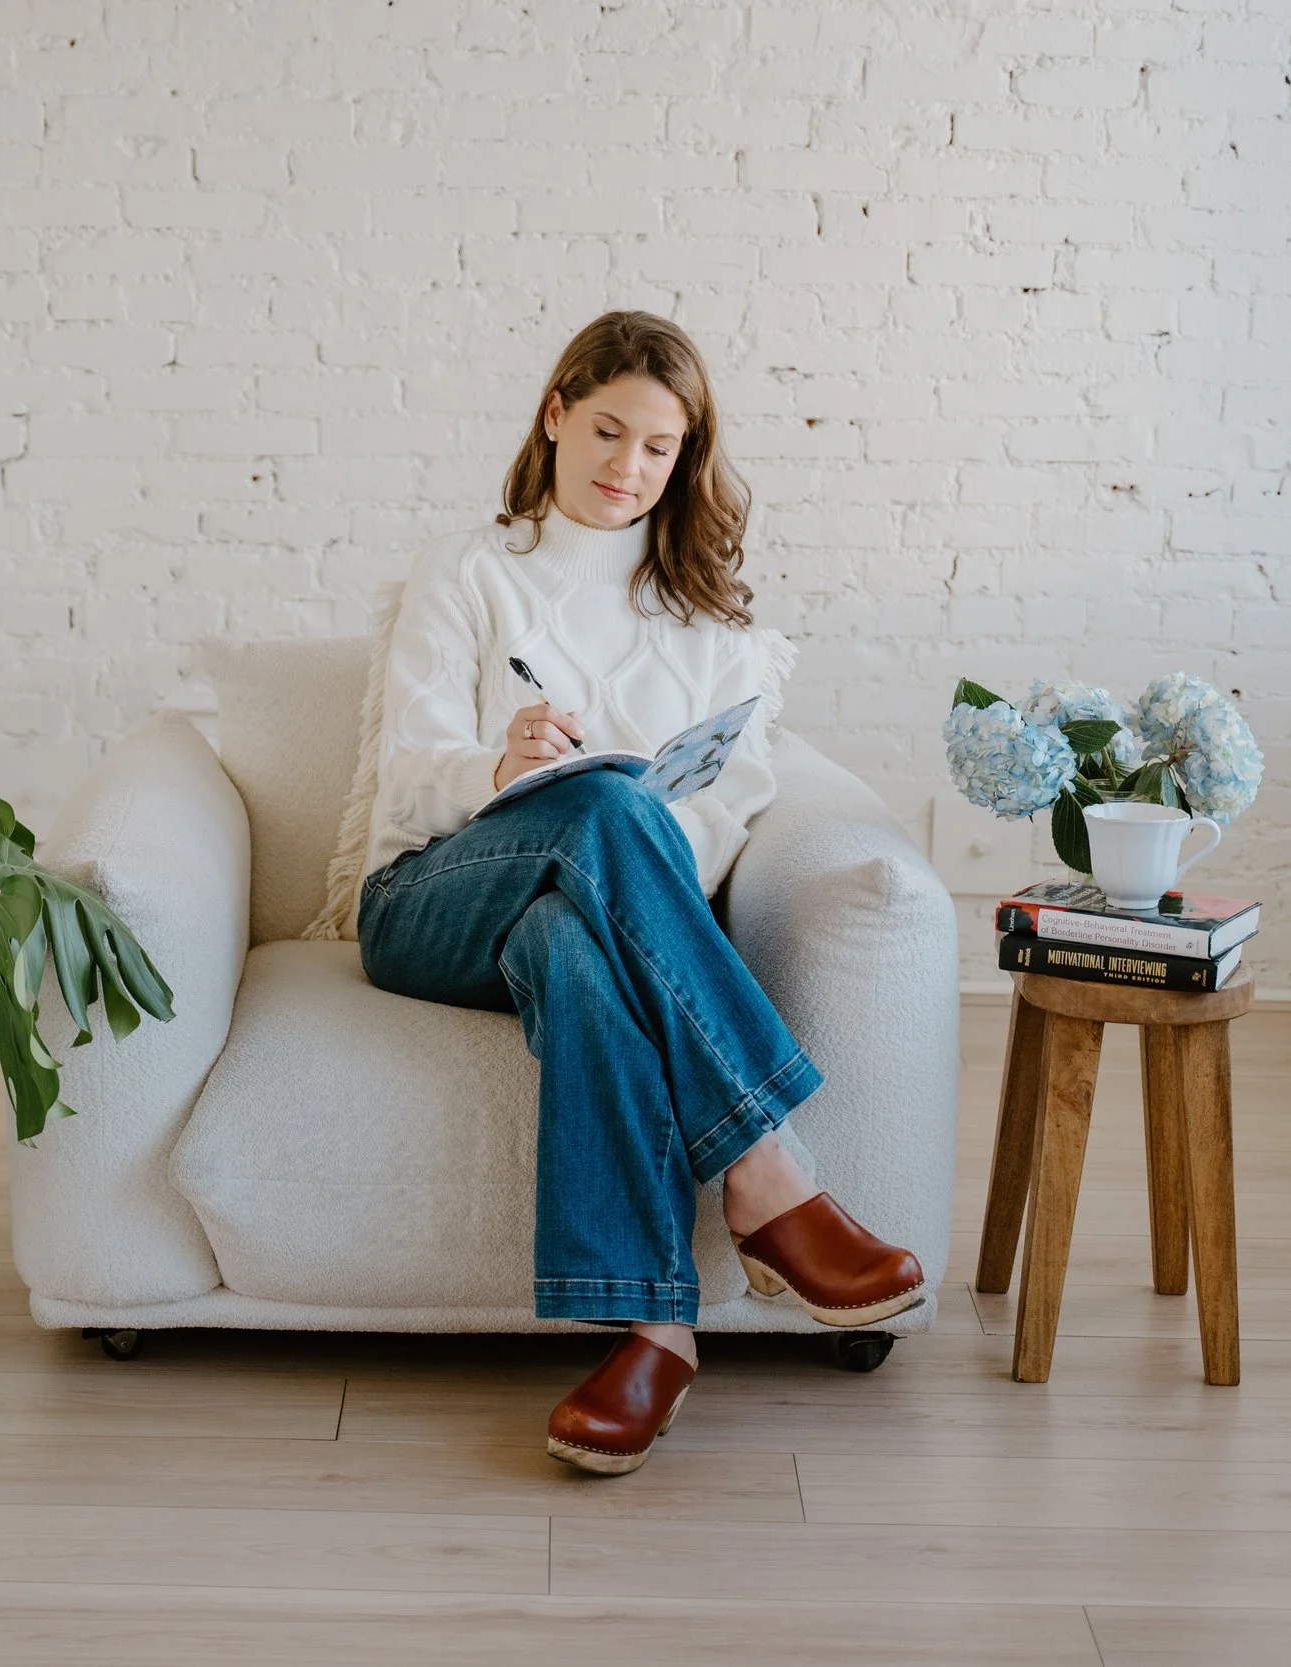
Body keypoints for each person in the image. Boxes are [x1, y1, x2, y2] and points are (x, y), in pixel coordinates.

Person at [356, 310, 924, 1476]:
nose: (626, 467)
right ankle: (767, 1173)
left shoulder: (716, 628)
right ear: (555, 415)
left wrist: (626, 823)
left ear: (687, 457)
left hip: (579, 912)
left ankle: (654, 1332)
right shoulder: (469, 571)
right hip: (432, 899)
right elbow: (409, 772)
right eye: (606, 430)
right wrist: (500, 765)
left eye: (658, 446)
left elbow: (721, 816)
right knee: (607, 808)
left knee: (581, 929)